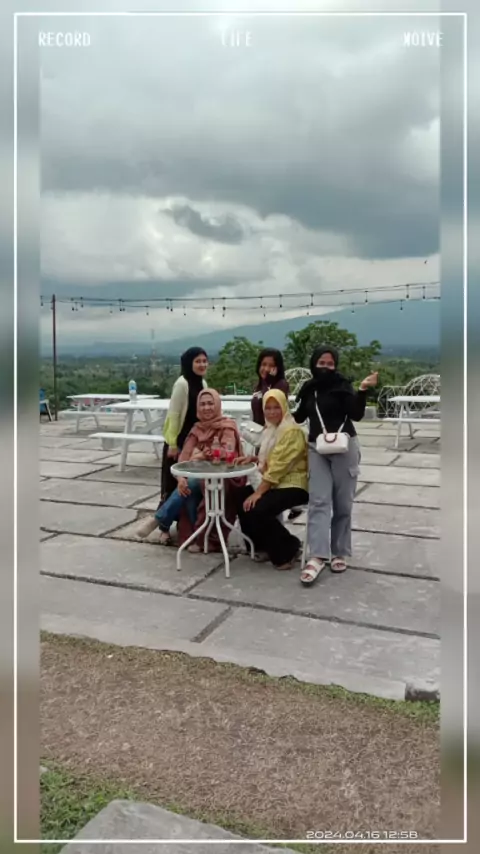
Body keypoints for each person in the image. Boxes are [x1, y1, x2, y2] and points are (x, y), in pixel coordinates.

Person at [293, 345, 378, 585]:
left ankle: (339, 551)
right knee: (319, 501)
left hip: (344, 447)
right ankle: (318, 555)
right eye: (321, 363)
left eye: (330, 364)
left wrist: (362, 390)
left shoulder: (342, 386)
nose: (326, 368)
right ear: (314, 364)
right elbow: (300, 416)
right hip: (316, 448)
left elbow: (356, 414)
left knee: (343, 503)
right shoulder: (309, 389)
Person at [138, 390, 243, 548]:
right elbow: (183, 458)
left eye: (210, 403)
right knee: (188, 488)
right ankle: (199, 537)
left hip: (224, 477)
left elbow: (226, 452)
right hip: (200, 478)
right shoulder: (197, 429)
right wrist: (181, 479)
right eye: (202, 404)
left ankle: (160, 519)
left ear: (217, 405)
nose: (206, 408)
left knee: (193, 482)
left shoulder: (227, 426)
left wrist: (202, 455)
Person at [138, 346, 208, 539]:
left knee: (188, 486)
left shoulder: (202, 383)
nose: (202, 365)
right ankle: (164, 528)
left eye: (204, 361)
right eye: (198, 361)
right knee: (171, 486)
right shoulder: (182, 383)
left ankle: (183, 525)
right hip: (178, 441)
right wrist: (172, 443)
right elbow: (174, 415)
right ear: (188, 363)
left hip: (194, 442)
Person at [234, 389, 309, 570]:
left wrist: (259, 492)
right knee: (240, 497)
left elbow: (279, 467)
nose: (272, 412)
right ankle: (262, 546)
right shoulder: (272, 429)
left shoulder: (291, 431)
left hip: (293, 484)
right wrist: (253, 459)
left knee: (258, 507)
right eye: (268, 408)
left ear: (284, 407)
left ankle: (288, 549)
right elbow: (271, 459)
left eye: (276, 407)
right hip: (276, 482)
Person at [251, 348, 289, 426]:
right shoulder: (259, 385)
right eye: (264, 364)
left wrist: (269, 381)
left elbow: (267, 405)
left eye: (271, 366)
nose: (266, 369)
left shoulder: (281, 385)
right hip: (258, 430)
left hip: (274, 431)